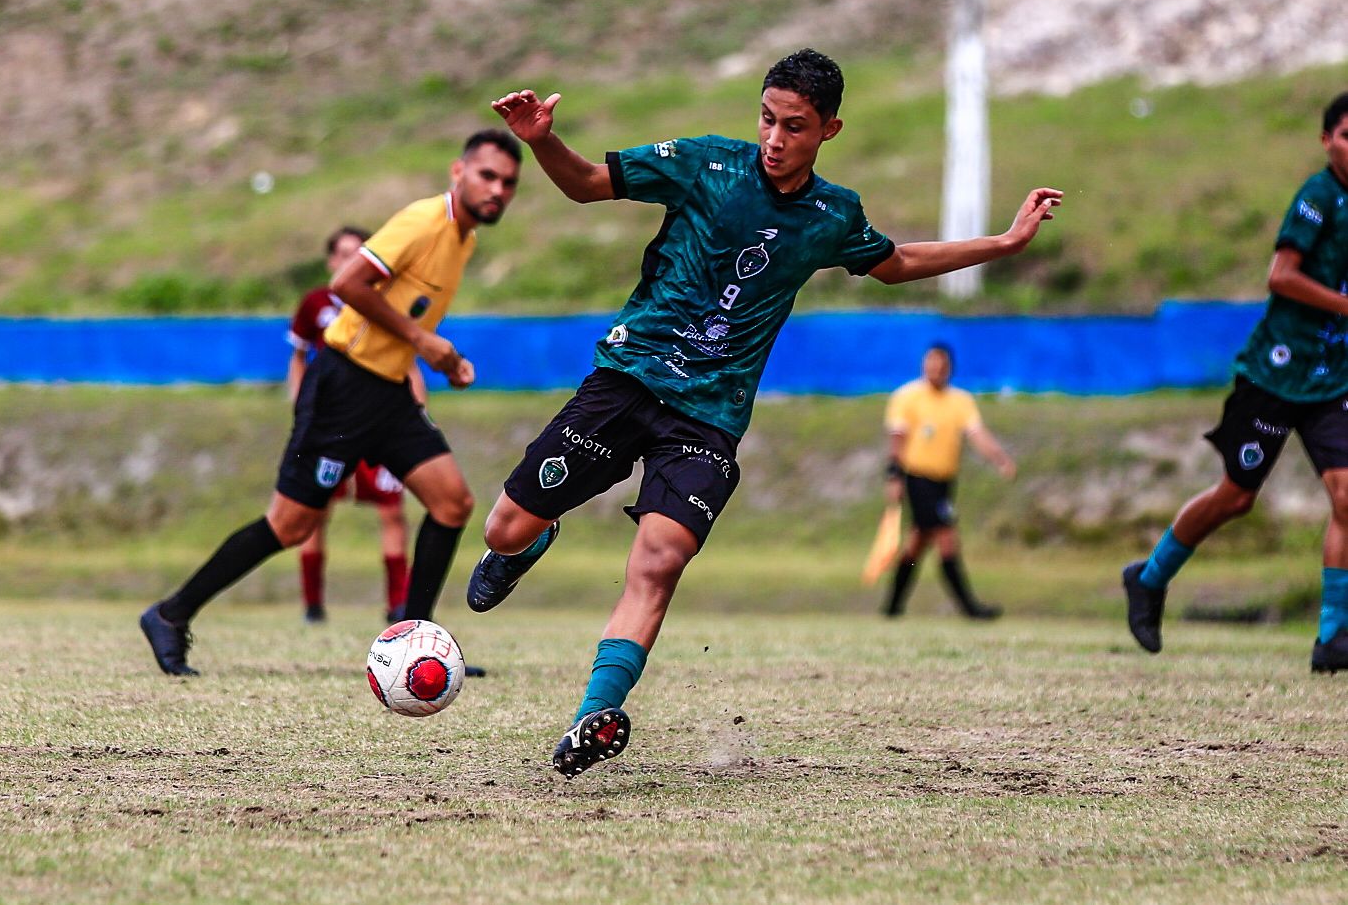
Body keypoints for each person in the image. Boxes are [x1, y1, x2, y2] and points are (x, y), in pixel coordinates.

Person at [470, 48, 1062, 777]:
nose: (775, 139)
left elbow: (896, 261)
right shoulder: (704, 164)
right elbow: (589, 185)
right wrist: (541, 141)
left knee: (659, 561)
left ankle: (595, 711)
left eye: (795, 126)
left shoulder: (830, 214)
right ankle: (530, 541)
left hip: (708, 417)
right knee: (504, 526)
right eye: (766, 119)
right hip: (627, 380)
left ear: (828, 131)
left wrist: (1003, 243)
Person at [140, 129, 525, 677]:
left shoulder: (463, 237)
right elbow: (348, 282)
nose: (498, 190)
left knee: (451, 503)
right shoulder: (424, 221)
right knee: (290, 526)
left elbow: (405, 312)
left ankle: (413, 645)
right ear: (458, 172)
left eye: (509, 183)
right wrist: (422, 341)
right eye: (488, 175)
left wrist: (440, 358)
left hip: (388, 392)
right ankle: (170, 615)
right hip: (343, 385)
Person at [1124, 92, 1348, 674]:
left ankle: (1333, 637)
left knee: (1347, 494)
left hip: (1331, 380)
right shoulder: (1318, 197)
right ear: (1327, 141)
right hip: (1274, 374)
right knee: (1237, 496)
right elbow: (1282, 277)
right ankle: (1148, 579)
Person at [287, 225, 424, 624]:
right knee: (312, 512)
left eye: (359, 253)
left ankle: (397, 605)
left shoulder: (384, 302)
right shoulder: (315, 304)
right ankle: (313, 605)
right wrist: (301, 407)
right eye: (343, 253)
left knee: (392, 511)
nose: (350, 260)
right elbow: (298, 358)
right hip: (331, 422)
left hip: (380, 419)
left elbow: (408, 363)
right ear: (331, 260)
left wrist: (417, 412)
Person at [880, 342, 1015, 620]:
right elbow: (897, 440)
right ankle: (970, 608)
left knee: (917, 543)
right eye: (931, 365)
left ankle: (892, 607)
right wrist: (894, 476)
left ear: (949, 369)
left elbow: (978, 435)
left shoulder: (960, 401)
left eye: (941, 366)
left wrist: (1000, 458)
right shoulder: (907, 397)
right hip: (917, 478)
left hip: (944, 482)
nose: (935, 371)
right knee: (946, 537)